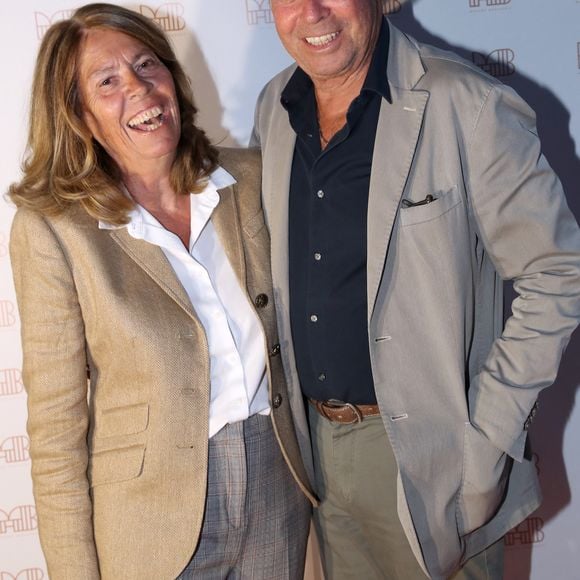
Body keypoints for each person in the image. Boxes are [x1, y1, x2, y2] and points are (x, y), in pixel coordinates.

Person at [251, 0, 580, 578]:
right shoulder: (275, 107)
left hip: (434, 463)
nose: (312, 12)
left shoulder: (467, 103)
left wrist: (488, 439)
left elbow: (559, 271)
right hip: (317, 459)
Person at [8, 4, 315, 579]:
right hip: (152, 521)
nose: (140, 90)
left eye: (148, 65)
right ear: (79, 116)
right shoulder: (53, 229)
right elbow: (56, 429)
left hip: (278, 494)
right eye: (108, 82)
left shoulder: (249, 178)